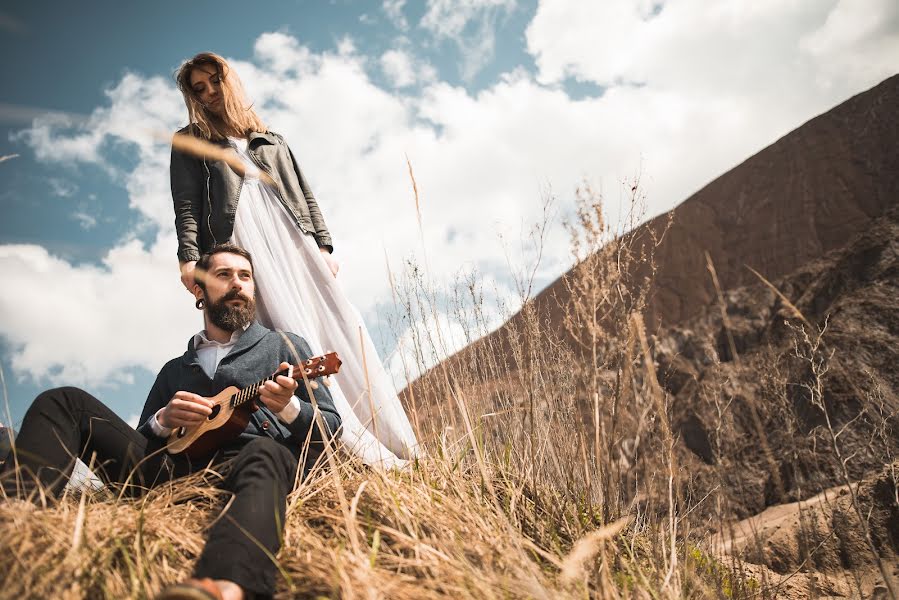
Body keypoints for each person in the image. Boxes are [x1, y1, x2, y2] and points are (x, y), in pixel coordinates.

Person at [1, 244, 342, 600]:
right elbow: (139, 440)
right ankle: (15, 516)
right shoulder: (174, 369)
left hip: (249, 466)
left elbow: (330, 429)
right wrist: (163, 420)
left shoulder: (283, 346)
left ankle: (225, 587)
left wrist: (288, 408)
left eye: (245, 276)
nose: (237, 284)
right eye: (223, 275)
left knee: (264, 451)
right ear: (199, 290)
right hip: (170, 474)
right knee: (63, 401)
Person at [170, 52, 417, 468]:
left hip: (293, 240)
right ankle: (331, 444)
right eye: (199, 88)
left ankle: (391, 440)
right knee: (280, 331)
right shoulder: (190, 140)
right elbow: (187, 207)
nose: (209, 92)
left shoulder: (272, 139)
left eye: (214, 81)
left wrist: (323, 246)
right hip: (241, 240)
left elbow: (306, 195)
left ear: (230, 81)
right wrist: (189, 259)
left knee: (339, 324)